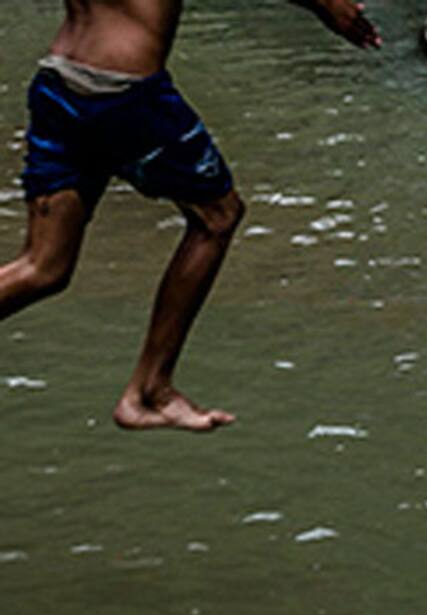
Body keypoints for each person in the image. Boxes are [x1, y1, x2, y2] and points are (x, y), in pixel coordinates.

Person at [1, 0, 381, 432]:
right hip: (125, 95)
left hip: (61, 79)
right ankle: (150, 390)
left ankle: (149, 391)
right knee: (217, 217)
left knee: (43, 266)